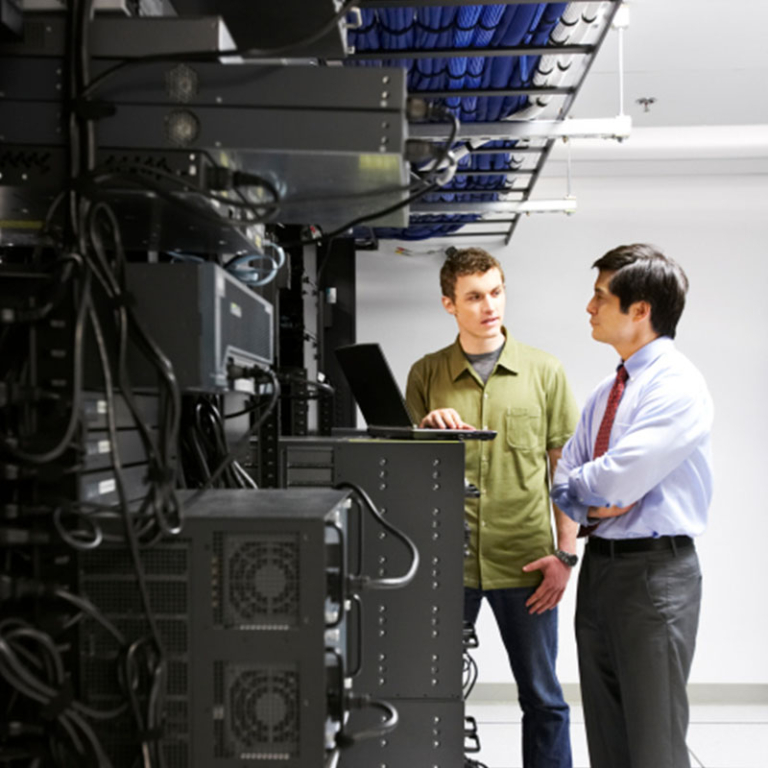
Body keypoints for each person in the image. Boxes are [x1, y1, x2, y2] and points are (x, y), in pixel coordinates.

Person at [405, 247, 579, 768]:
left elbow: (563, 471)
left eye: (496, 292)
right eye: (474, 297)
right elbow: (404, 474)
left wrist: (565, 556)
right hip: (444, 563)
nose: (489, 306)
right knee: (430, 695)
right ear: (448, 304)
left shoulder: (545, 371)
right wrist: (423, 431)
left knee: (543, 698)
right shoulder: (426, 374)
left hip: (523, 560)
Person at [551, 244, 714, 768]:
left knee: (655, 738)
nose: (589, 307)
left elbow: (619, 476)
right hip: (602, 571)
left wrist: (594, 495)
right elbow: (565, 475)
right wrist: (594, 499)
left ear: (640, 310)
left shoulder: (677, 385)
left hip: (655, 575)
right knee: (607, 731)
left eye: (601, 296)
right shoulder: (609, 387)